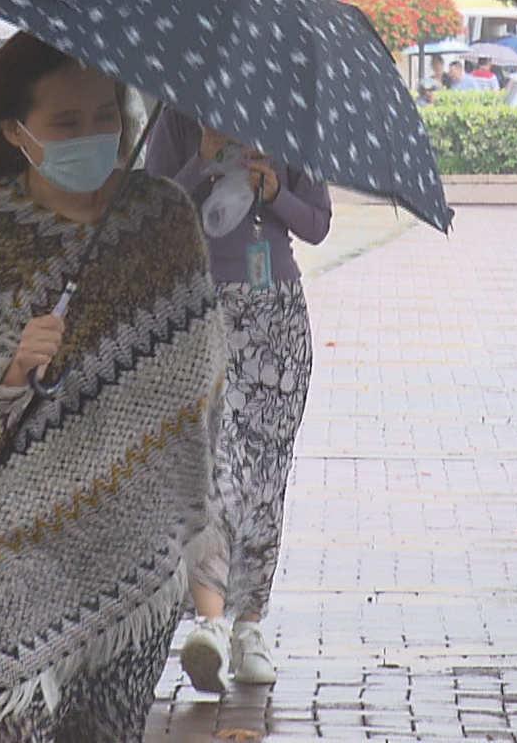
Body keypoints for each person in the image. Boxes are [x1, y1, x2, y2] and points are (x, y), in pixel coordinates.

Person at [0, 32, 224, 743]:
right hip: (5, 532)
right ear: (18, 131)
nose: (93, 136)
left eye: (105, 117)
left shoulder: (162, 218)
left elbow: (194, 368)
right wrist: (13, 369)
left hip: (136, 526)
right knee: (5, 717)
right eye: (66, 123)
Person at [145, 110, 332, 691]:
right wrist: (204, 156)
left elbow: (318, 223)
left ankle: (250, 624)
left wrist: (273, 191)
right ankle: (210, 619)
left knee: (264, 476)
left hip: (275, 314)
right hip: (197, 309)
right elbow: (152, 212)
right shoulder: (178, 115)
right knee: (212, 465)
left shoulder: (292, 121)